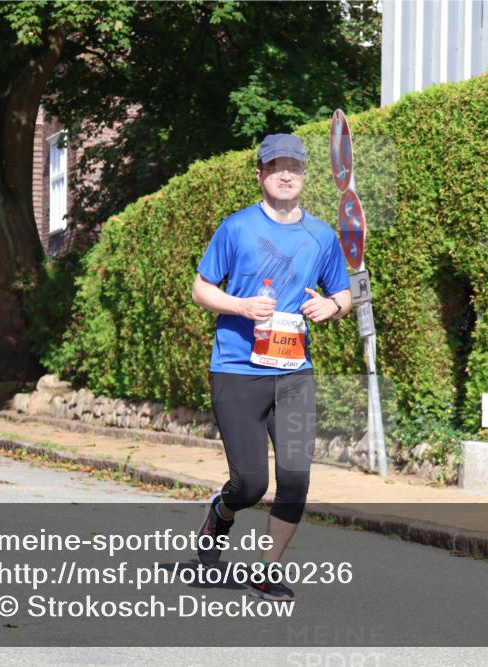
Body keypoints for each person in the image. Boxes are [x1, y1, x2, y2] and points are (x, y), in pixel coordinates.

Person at [191, 133, 352, 601]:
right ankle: (222, 511)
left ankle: (266, 569)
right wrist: (240, 306)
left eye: (294, 167)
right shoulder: (236, 228)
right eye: (276, 167)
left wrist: (331, 307)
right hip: (237, 368)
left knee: (296, 477)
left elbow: (344, 293)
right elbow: (201, 289)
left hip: (294, 373)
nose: (286, 175)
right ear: (260, 174)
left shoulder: (321, 236)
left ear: (304, 175)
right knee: (250, 483)